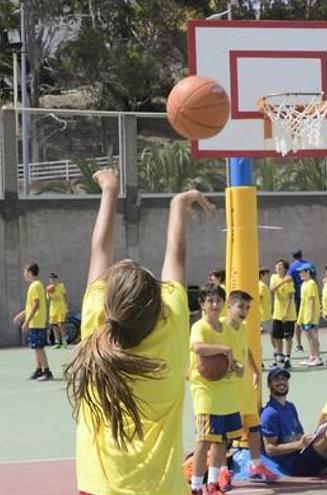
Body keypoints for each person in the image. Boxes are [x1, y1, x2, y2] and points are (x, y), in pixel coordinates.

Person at [64, 168, 213, 495]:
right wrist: (177, 206)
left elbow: (99, 250)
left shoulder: (95, 327)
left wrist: (109, 190)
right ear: (159, 305)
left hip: (99, 487)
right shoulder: (173, 324)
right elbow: (176, 255)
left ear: (107, 303)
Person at [189, 283, 243, 495]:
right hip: (205, 390)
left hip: (227, 390)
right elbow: (197, 347)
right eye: (210, 300)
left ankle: (212, 483)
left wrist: (236, 367)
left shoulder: (227, 329)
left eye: (219, 300)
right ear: (202, 304)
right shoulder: (199, 327)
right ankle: (195, 486)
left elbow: (234, 360)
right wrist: (224, 349)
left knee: (222, 439)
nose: (215, 304)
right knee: (204, 440)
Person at [222, 290, 279, 484]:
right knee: (225, 434)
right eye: (241, 306)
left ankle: (255, 464)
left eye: (248, 308)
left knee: (254, 427)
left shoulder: (244, 327)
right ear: (229, 306)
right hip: (228, 387)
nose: (245, 311)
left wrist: (255, 371)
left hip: (244, 385)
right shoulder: (221, 328)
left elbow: (246, 350)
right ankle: (222, 470)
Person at [13, 262, 51, 381]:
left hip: (37, 322)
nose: (24, 274)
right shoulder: (36, 285)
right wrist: (21, 316)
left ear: (30, 272)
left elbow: (36, 305)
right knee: (36, 347)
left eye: (25, 272)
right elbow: (30, 306)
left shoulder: (35, 285)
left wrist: (27, 322)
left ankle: (47, 371)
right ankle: (39, 370)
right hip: (35, 321)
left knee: (39, 347)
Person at [287, 249, 315, 351]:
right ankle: (315, 342)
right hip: (310, 294)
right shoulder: (309, 265)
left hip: (298, 296)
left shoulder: (291, 268)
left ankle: (299, 344)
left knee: (298, 321)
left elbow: (289, 281)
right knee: (312, 321)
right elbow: (314, 278)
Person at [270, 259, 296, 369]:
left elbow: (290, 298)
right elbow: (272, 289)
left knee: (288, 336)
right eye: (277, 265)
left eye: (280, 265)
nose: (277, 267)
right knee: (276, 336)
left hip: (288, 314)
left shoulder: (290, 281)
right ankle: (279, 357)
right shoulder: (274, 277)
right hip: (277, 313)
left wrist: (285, 313)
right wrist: (283, 281)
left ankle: (287, 358)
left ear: (285, 268)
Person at [296, 265, 323, 367]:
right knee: (308, 336)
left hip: (310, 315)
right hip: (304, 314)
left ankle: (318, 357)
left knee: (313, 336)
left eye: (302, 272)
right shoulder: (303, 284)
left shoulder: (311, 284)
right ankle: (311, 356)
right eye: (300, 272)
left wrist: (311, 316)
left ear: (308, 272)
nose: (300, 274)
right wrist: (301, 315)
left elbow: (312, 301)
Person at [46, 272, 69, 348]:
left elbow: (65, 296)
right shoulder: (48, 288)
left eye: (54, 279)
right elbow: (48, 298)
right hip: (53, 309)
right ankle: (57, 342)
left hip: (61, 308)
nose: (52, 280)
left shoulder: (61, 286)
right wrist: (48, 292)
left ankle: (64, 341)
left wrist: (66, 306)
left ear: (56, 279)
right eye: (51, 279)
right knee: (54, 326)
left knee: (60, 325)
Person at [258, 268, 272, 335]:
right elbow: (259, 298)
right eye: (266, 274)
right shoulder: (262, 286)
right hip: (264, 315)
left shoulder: (261, 285)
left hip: (265, 314)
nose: (268, 276)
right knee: (271, 334)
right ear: (262, 275)